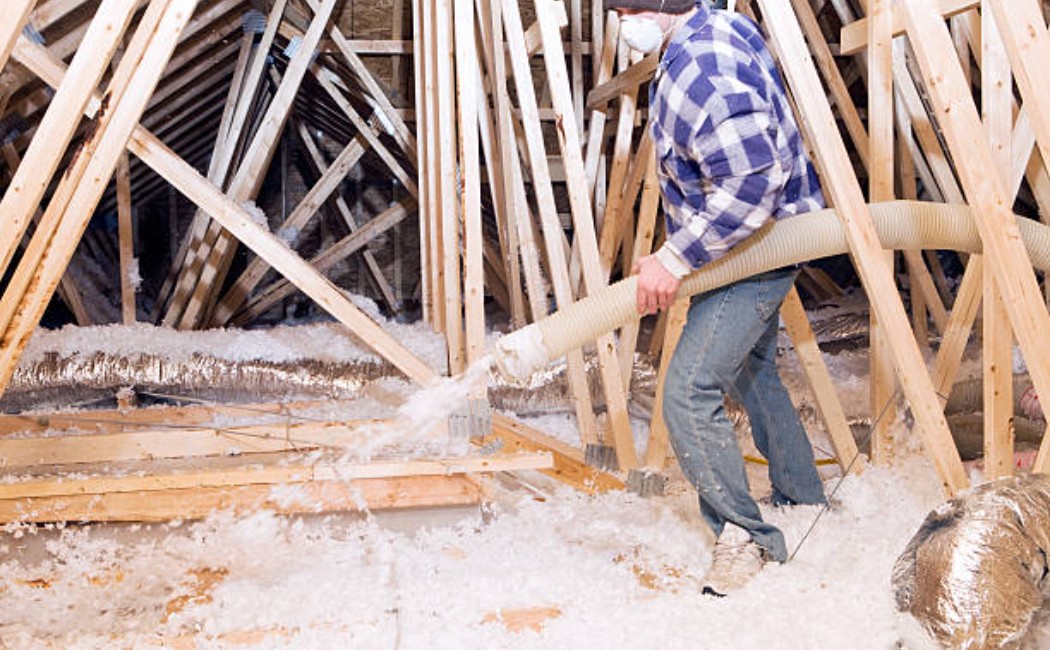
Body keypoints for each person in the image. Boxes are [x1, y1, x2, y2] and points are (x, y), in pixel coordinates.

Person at [602, 0, 828, 595]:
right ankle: (803, 497)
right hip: (743, 245)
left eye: (626, 8)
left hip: (754, 249)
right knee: (753, 371)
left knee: (687, 391)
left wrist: (674, 258)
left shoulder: (701, 64)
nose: (621, 20)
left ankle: (745, 536)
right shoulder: (713, 26)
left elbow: (752, 184)